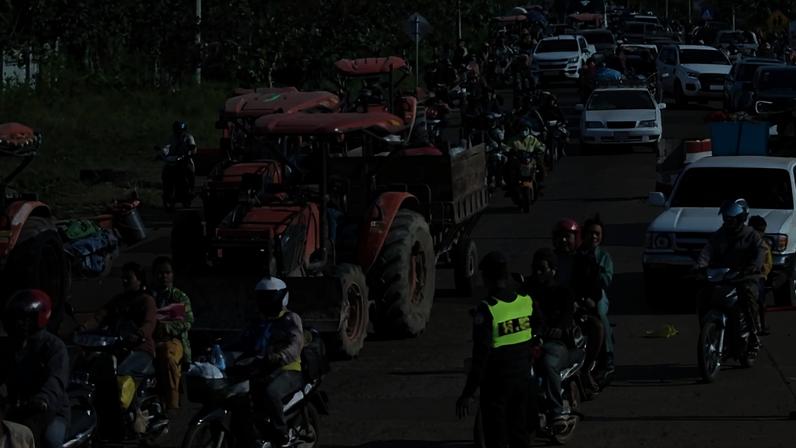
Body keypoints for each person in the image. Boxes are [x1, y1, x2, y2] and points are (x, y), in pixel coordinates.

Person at [456, 251, 535, 448]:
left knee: (496, 438)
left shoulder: (487, 309)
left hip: (497, 387)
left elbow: (480, 358)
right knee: (519, 434)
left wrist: (468, 393)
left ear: (486, 278)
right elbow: (538, 324)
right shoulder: (525, 300)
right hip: (523, 380)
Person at [232, 276, 305, 447]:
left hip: (289, 369)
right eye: (262, 297)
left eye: (269, 297)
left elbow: (296, 345)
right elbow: (243, 340)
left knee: (271, 393)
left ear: (281, 297)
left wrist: (279, 356)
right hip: (261, 367)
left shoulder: (290, 319)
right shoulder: (258, 321)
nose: (265, 302)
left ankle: (282, 436)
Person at [0, 290, 69, 448]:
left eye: (23, 318)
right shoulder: (8, 346)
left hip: (49, 410)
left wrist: (43, 398)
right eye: (15, 318)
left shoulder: (53, 346)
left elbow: (56, 380)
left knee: (50, 441)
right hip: (16, 407)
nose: (18, 323)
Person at [695, 199, 764, 351]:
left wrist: (752, 267)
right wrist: (700, 267)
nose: (728, 222)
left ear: (741, 219)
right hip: (721, 277)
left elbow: (760, 253)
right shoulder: (718, 235)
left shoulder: (752, 236)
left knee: (748, 296)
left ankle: (754, 335)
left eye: (731, 219)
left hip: (744, 278)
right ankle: (708, 334)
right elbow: (707, 252)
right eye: (726, 219)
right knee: (703, 296)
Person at [524, 248, 581, 423]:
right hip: (530, 342)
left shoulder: (564, 292)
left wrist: (559, 328)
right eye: (535, 268)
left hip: (556, 344)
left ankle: (557, 412)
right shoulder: (526, 291)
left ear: (553, 270)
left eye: (542, 268)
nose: (537, 273)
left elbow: (567, 315)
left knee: (548, 365)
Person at [151, 256, 194, 409]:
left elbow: (187, 321)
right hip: (149, 339)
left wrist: (163, 326)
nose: (164, 276)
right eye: (160, 273)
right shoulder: (149, 296)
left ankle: (172, 402)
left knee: (167, 357)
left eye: (167, 272)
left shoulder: (179, 296)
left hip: (174, 340)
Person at [575, 214, 615, 378]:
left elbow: (606, 280)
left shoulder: (604, 257)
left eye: (597, 233)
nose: (594, 236)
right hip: (578, 294)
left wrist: (596, 272)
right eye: (591, 233)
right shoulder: (577, 254)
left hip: (597, 295)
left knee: (600, 316)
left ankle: (608, 359)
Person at [160, 120, 197, 210]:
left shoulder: (188, 137)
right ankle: (166, 193)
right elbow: (167, 147)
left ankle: (190, 191)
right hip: (173, 161)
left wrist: (190, 152)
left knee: (189, 171)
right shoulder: (171, 138)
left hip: (185, 160)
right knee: (165, 173)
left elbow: (193, 147)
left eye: (179, 130)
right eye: (176, 130)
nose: (178, 132)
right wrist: (162, 152)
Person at [748, 215, 772, 335]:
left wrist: (762, 271)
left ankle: (762, 324)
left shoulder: (763, 245)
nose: (760, 233)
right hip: (743, 275)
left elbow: (768, 263)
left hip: (758, 277)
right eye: (758, 230)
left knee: (760, 302)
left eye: (762, 231)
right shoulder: (744, 241)